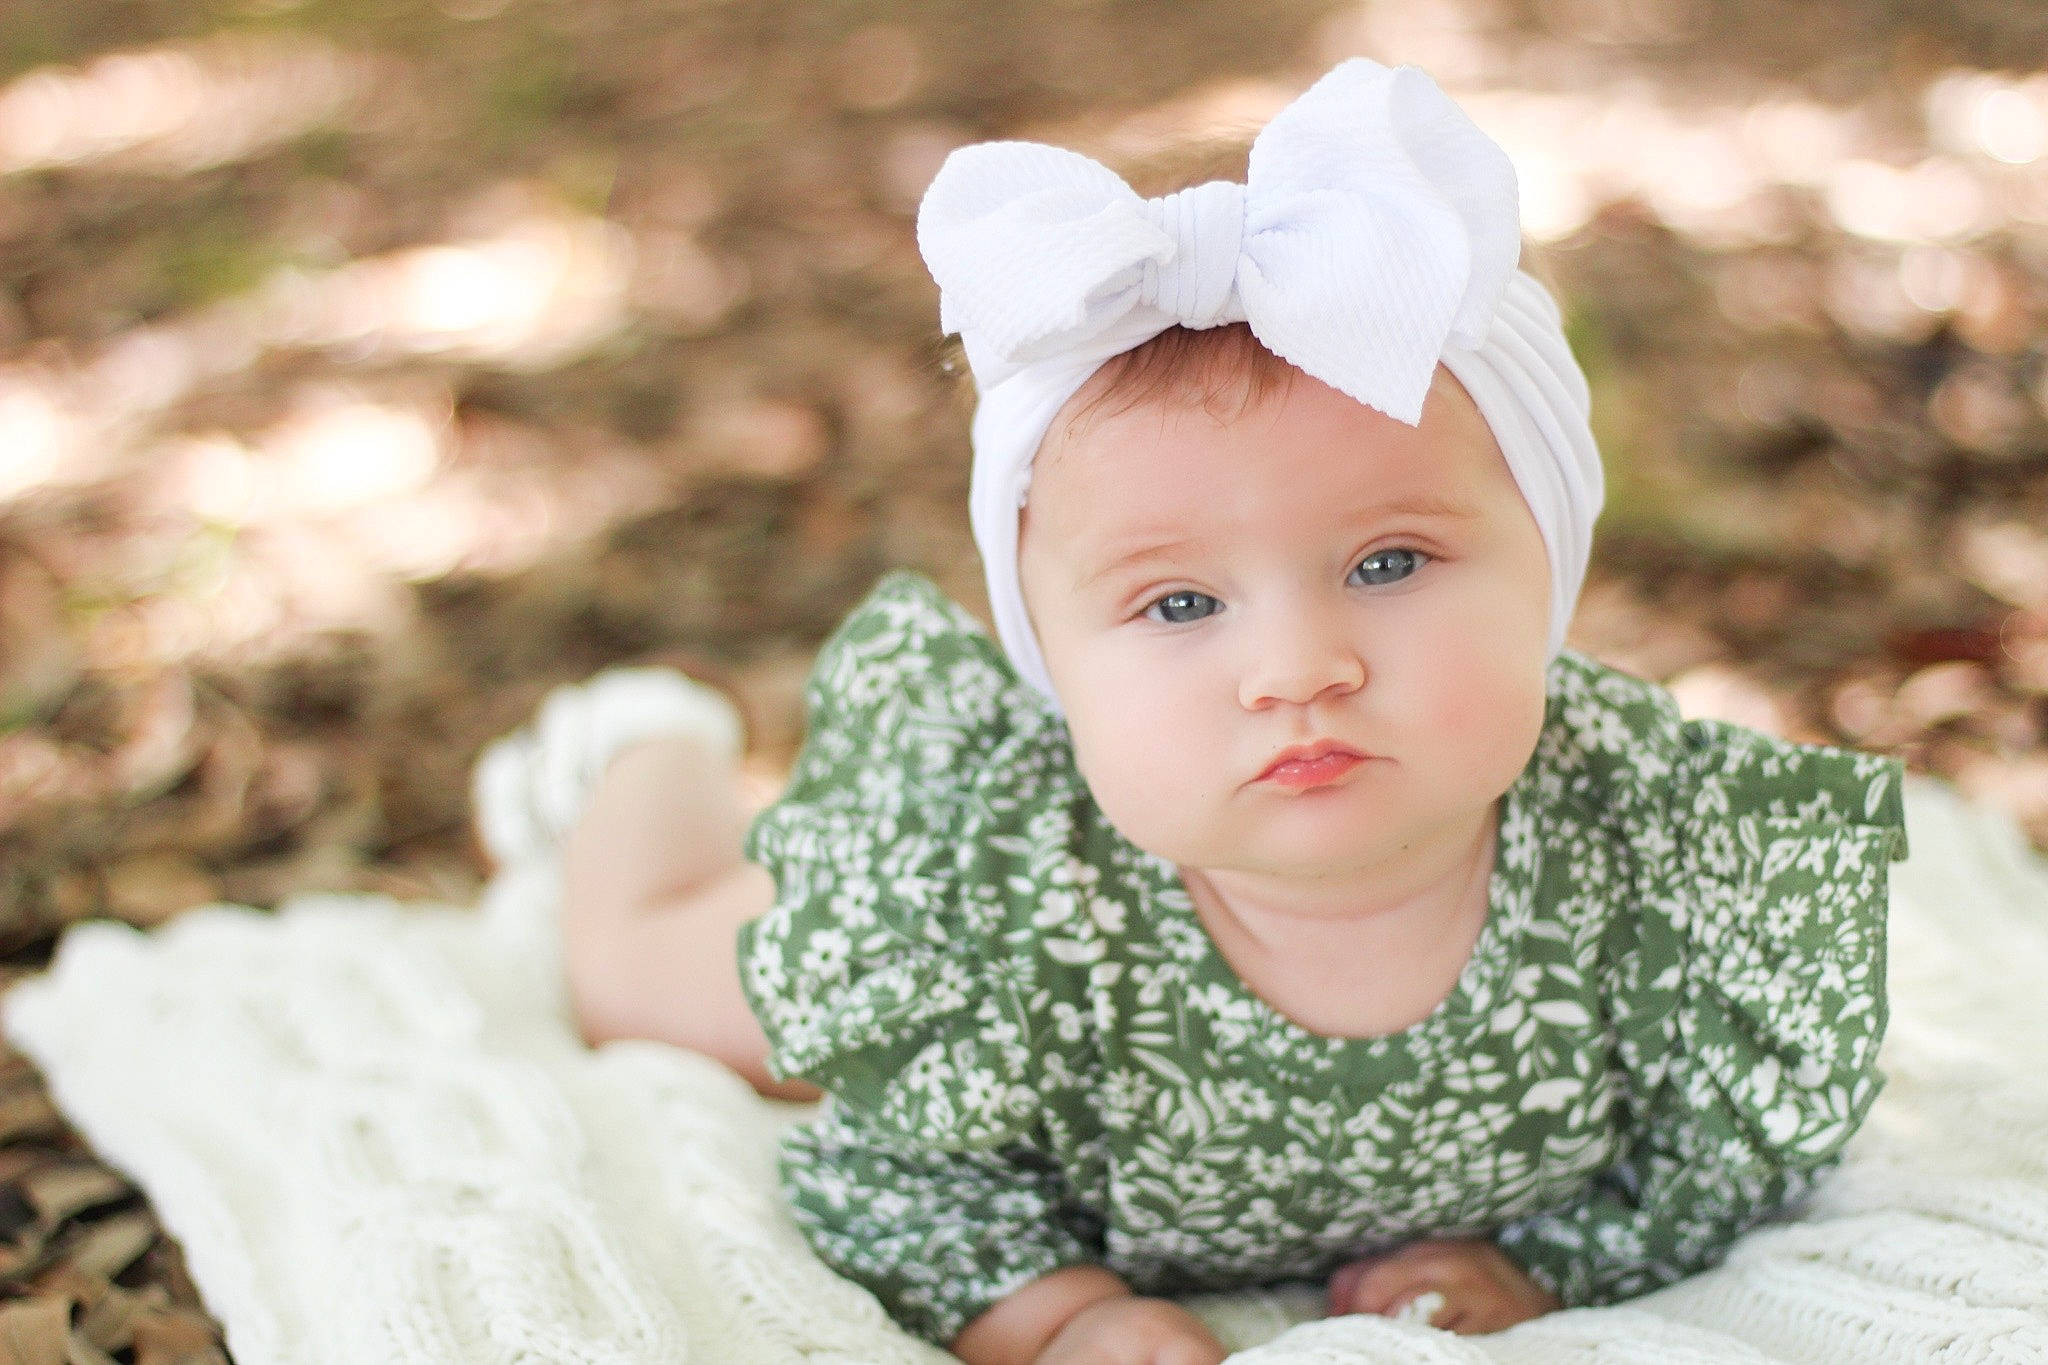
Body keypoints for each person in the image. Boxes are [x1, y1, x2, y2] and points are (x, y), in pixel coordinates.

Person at [481, 58, 1910, 1365]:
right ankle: (648, 746)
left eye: (1388, 563)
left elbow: (1728, 1154)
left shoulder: (1662, 853)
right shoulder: (990, 908)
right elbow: (895, 1182)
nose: (1296, 668)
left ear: (1550, 559)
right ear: (1052, 658)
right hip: (970, 877)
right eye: (1178, 604)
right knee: (639, 981)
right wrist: (1058, 1315)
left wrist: (1548, 1266)